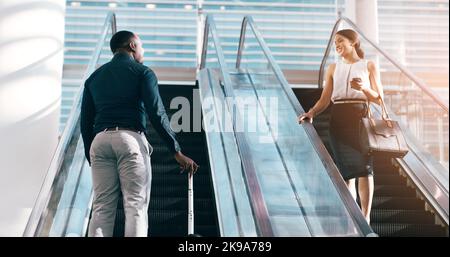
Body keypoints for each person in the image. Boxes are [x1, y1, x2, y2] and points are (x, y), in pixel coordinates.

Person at [81, 30, 199, 237]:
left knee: (101, 207)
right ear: (132, 46)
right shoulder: (142, 72)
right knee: (135, 205)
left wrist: (89, 153)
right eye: (141, 45)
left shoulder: (94, 78)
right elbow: (157, 111)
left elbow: (85, 121)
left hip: (99, 142)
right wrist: (175, 150)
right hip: (130, 139)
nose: (143, 50)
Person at [298, 29, 383, 224]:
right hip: (338, 120)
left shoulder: (368, 65)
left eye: (340, 41)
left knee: (364, 168)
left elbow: (379, 99)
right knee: (346, 170)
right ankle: (352, 215)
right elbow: (325, 98)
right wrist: (311, 112)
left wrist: (364, 88)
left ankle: (365, 216)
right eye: (335, 42)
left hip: (360, 118)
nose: (336, 45)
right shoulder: (333, 68)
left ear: (353, 42)